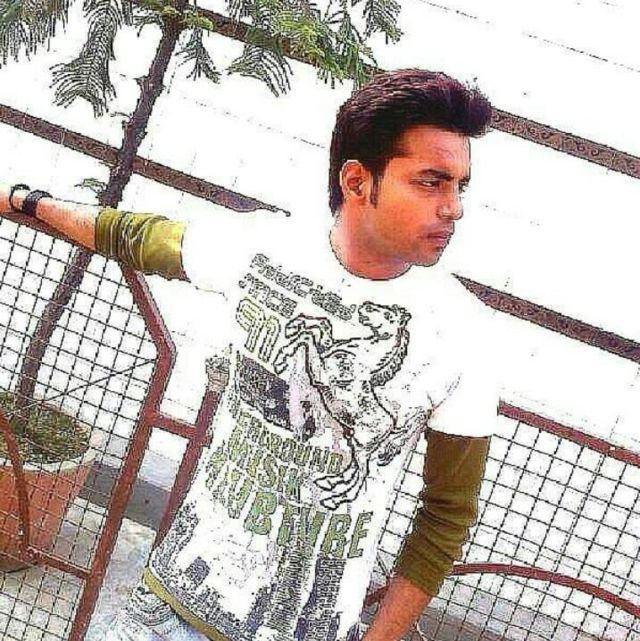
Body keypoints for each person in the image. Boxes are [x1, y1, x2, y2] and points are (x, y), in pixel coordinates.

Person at [1, 69, 497, 641]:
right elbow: (134, 235)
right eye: (431, 183)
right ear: (358, 180)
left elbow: (446, 515)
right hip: (166, 610)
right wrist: (24, 201)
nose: (453, 208)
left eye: (460, 187)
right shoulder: (264, 247)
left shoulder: (464, 335)